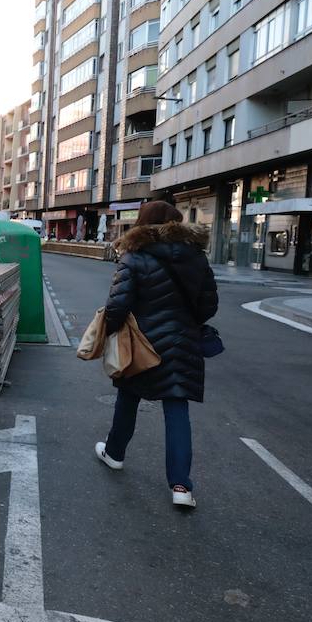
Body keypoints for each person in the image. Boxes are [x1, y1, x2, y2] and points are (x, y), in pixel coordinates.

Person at [94, 200, 218, 509]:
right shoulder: (197, 258)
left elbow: (118, 305)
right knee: (177, 408)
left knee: (127, 398)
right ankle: (181, 486)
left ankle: (115, 454)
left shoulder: (134, 257)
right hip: (183, 342)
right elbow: (208, 306)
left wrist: (109, 330)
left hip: (141, 342)